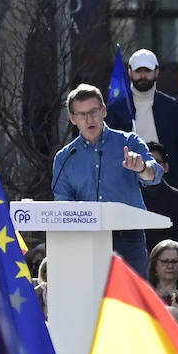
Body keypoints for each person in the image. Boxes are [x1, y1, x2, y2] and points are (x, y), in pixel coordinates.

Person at [53, 83, 164, 276]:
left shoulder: (129, 142)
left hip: (128, 239)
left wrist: (141, 168)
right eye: (81, 114)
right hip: (85, 241)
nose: (89, 119)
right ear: (72, 119)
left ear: (104, 111)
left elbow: (154, 175)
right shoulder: (65, 157)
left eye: (94, 111)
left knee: (132, 304)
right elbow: (63, 204)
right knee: (91, 303)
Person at [106, 47, 178, 179]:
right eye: (138, 70)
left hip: (165, 178)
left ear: (156, 72)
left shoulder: (170, 106)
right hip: (128, 178)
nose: (143, 76)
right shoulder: (117, 107)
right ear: (129, 72)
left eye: (147, 70)